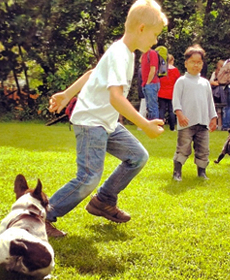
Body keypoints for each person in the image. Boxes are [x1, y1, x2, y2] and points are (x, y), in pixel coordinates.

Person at [46, 0, 167, 237]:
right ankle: (40, 217)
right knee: (88, 177)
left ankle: (103, 201)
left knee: (137, 157)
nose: (155, 41)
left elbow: (94, 73)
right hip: (91, 122)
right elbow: (116, 98)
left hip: (106, 123)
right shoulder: (120, 54)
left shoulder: (123, 52)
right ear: (141, 29)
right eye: (155, 35)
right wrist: (144, 125)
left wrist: (67, 94)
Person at [172, 45, 218, 182]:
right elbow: (176, 100)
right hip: (186, 123)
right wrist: (179, 114)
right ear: (186, 64)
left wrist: (213, 117)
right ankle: (177, 172)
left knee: (203, 149)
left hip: (202, 123)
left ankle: (202, 172)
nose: (196, 65)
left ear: (202, 64)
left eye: (199, 62)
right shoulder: (181, 81)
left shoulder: (205, 83)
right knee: (183, 148)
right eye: (193, 62)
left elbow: (210, 102)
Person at [157, 54, 181, 131]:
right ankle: (172, 127)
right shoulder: (175, 71)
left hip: (161, 92)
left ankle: (160, 126)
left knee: (162, 110)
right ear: (172, 60)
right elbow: (178, 82)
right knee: (171, 110)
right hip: (172, 93)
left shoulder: (162, 70)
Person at [141, 46, 162, 120]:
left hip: (151, 84)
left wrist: (148, 83)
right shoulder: (144, 55)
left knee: (153, 107)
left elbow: (153, 70)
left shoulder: (152, 53)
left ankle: (155, 124)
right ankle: (151, 124)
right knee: (149, 107)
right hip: (146, 84)